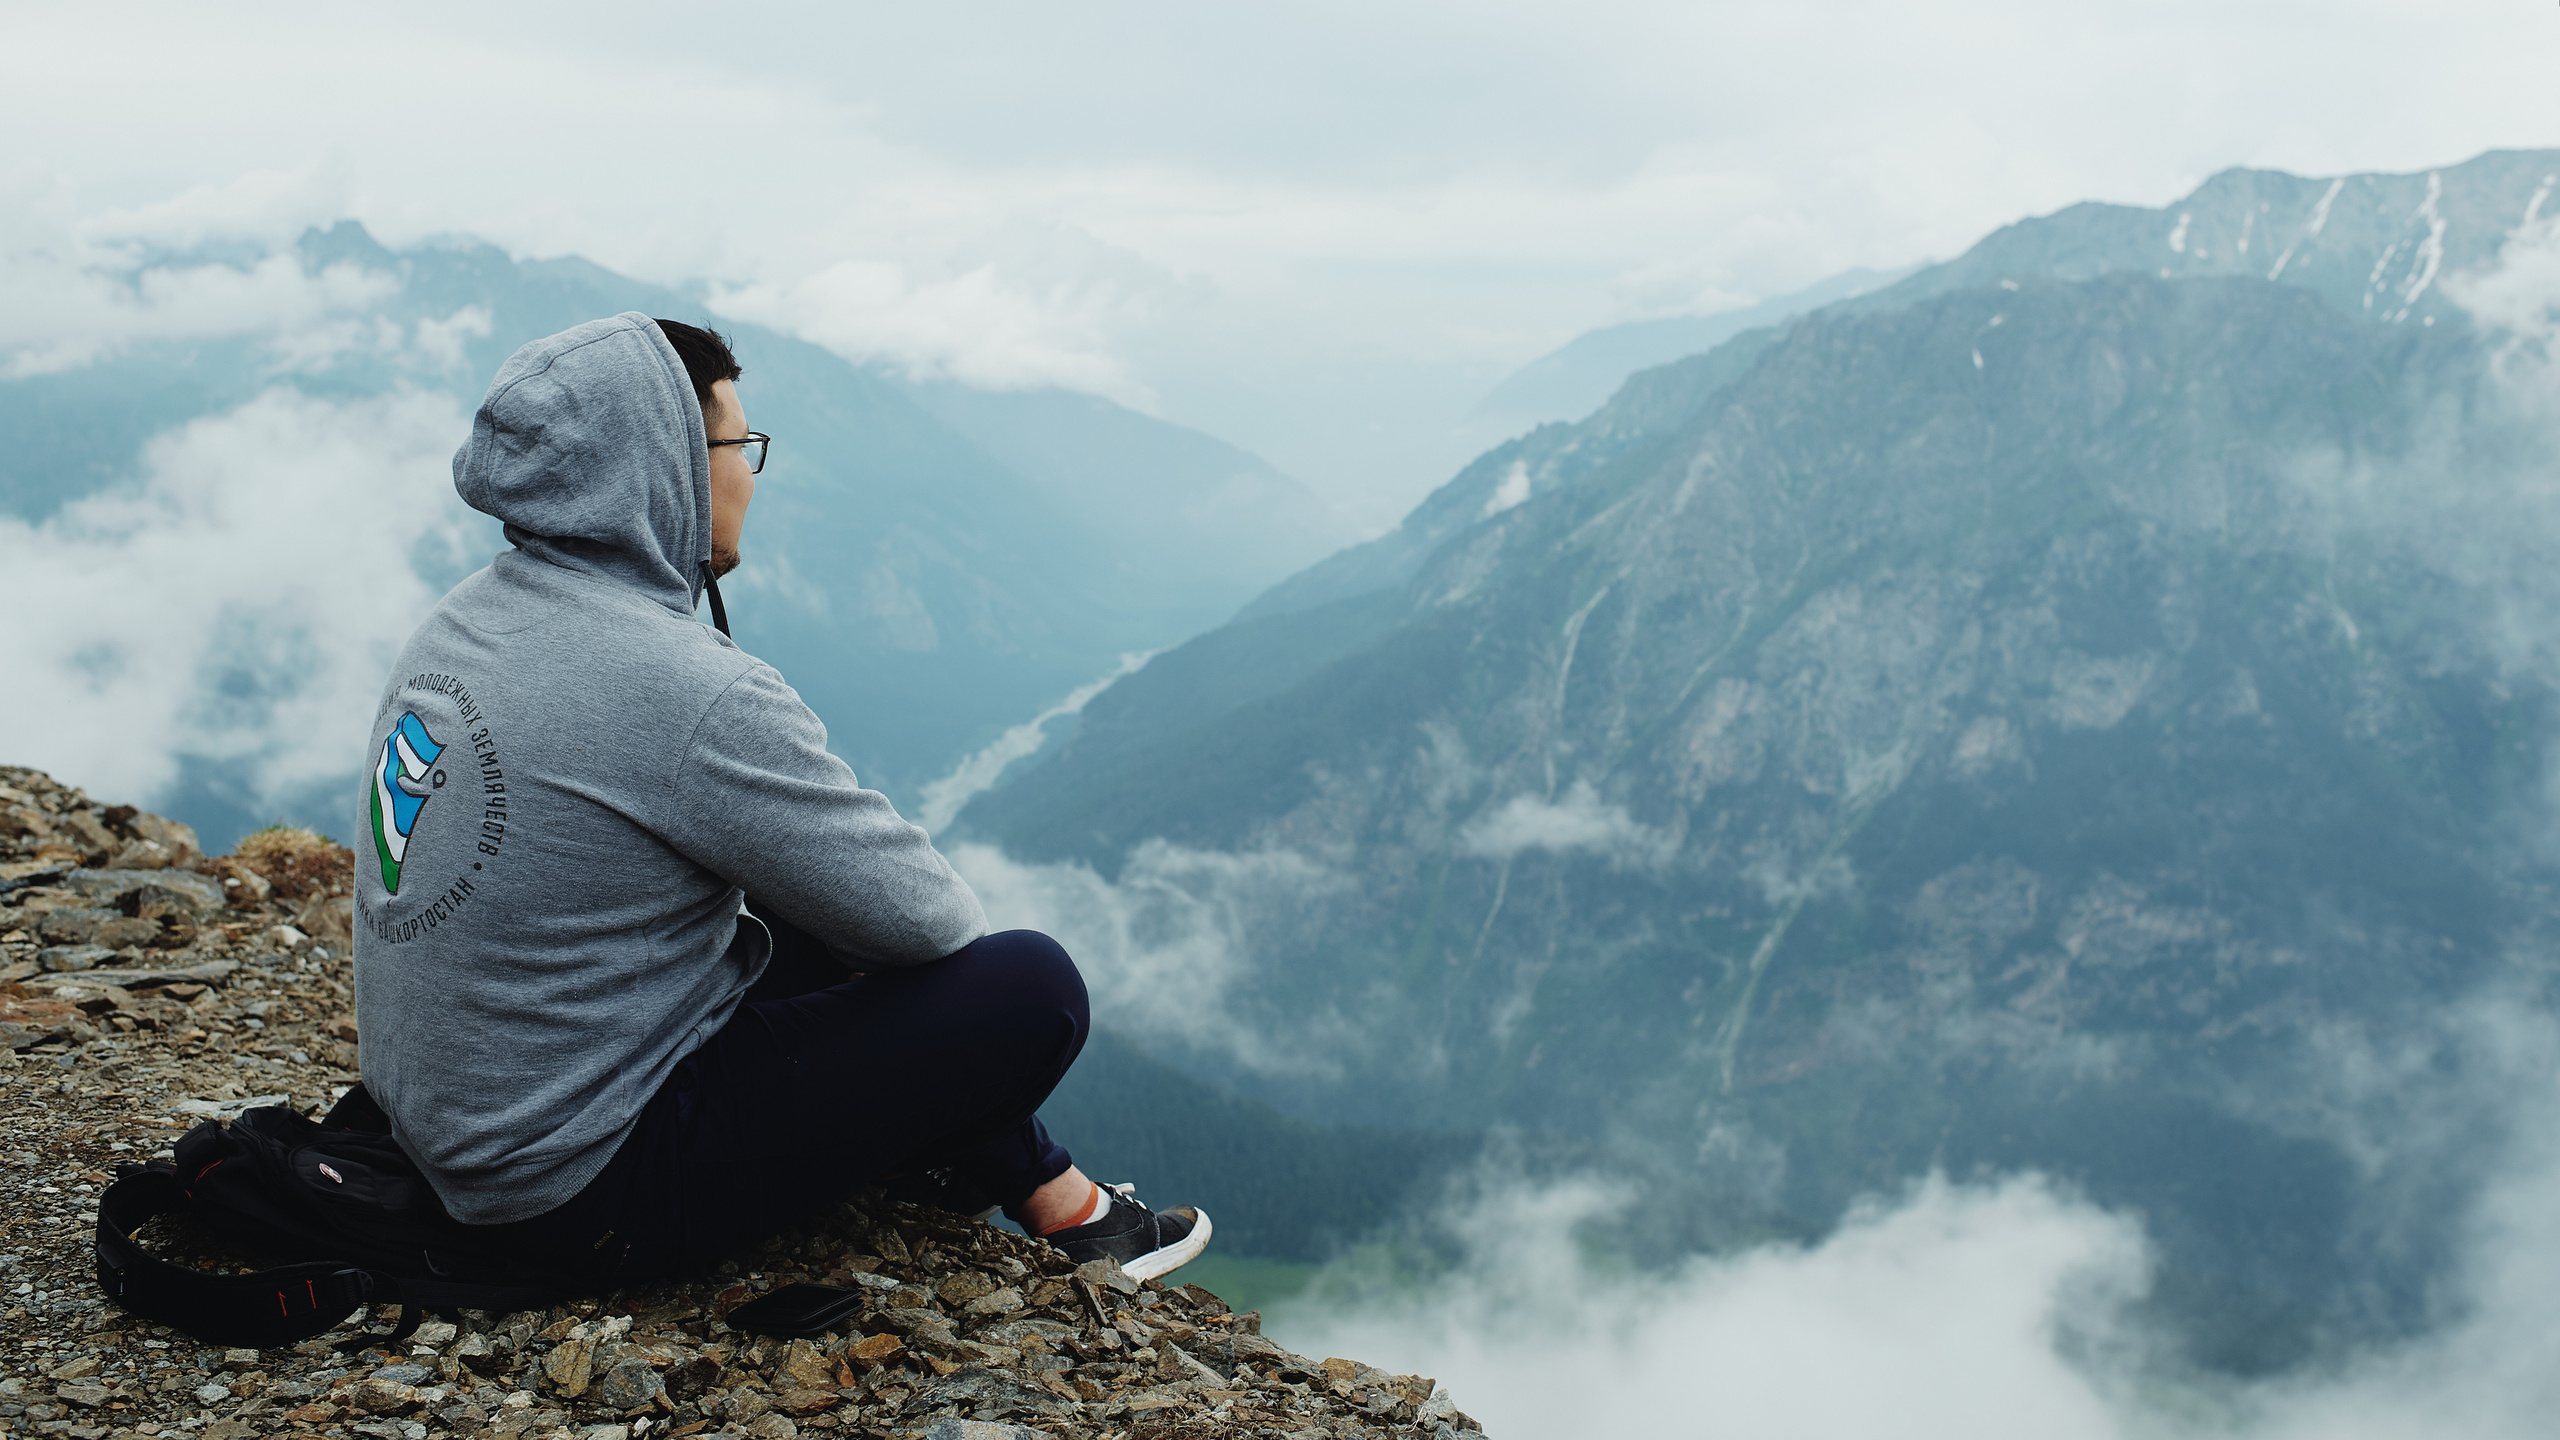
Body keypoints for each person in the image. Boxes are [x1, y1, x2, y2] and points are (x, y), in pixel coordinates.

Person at [348, 312, 1207, 1285]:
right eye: (736, 446)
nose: (749, 476)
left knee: (793, 912)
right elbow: (928, 922)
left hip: (446, 1126)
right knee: (1030, 987)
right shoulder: (676, 684)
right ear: (667, 466)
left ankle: (1058, 1198)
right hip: (574, 1197)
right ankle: (1050, 1198)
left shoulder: (461, 621)